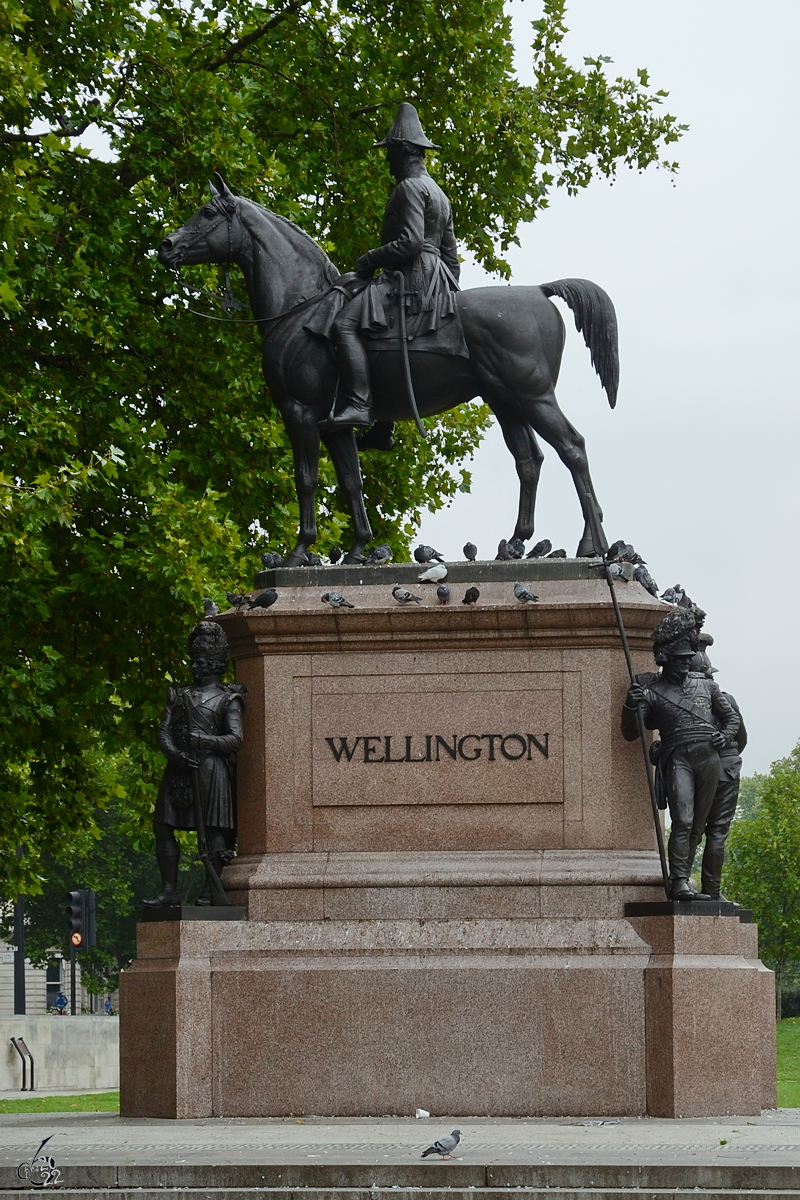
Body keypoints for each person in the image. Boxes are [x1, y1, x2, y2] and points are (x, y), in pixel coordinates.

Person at [324, 101, 461, 430]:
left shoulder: (410, 188)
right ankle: (384, 425)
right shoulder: (439, 194)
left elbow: (412, 243)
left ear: (402, 151)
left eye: (389, 152)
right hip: (436, 277)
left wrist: (369, 259)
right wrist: (446, 293)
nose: (386, 160)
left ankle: (358, 403)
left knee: (344, 325)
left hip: (410, 275)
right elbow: (451, 258)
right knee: (380, 334)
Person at [620, 608, 739, 901]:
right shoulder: (652, 691)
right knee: (683, 820)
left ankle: (686, 880)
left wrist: (723, 736)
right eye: (681, 659)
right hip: (678, 759)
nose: (687, 664)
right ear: (666, 659)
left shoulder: (707, 686)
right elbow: (631, 732)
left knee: (699, 823)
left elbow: (731, 719)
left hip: (709, 758)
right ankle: (679, 882)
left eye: (689, 659)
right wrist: (629, 705)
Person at [144, 621, 247, 908]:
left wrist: (204, 741)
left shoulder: (229, 699)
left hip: (211, 771)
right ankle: (169, 890)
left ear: (215, 663)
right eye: (195, 659)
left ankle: (209, 890)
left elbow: (235, 739)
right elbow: (163, 730)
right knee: (163, 827)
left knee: (215, 833)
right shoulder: (178, 695)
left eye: (203, 660)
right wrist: (175, 753)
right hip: (180, 768)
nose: (197, 665)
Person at [686, 649, 747, 900]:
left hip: (693, 767)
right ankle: (712, 891)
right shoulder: (725, 699)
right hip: (725, 768)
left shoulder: (681, 701)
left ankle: (682, 881)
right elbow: (741, 738)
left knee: (690, 828)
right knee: (717, 831)